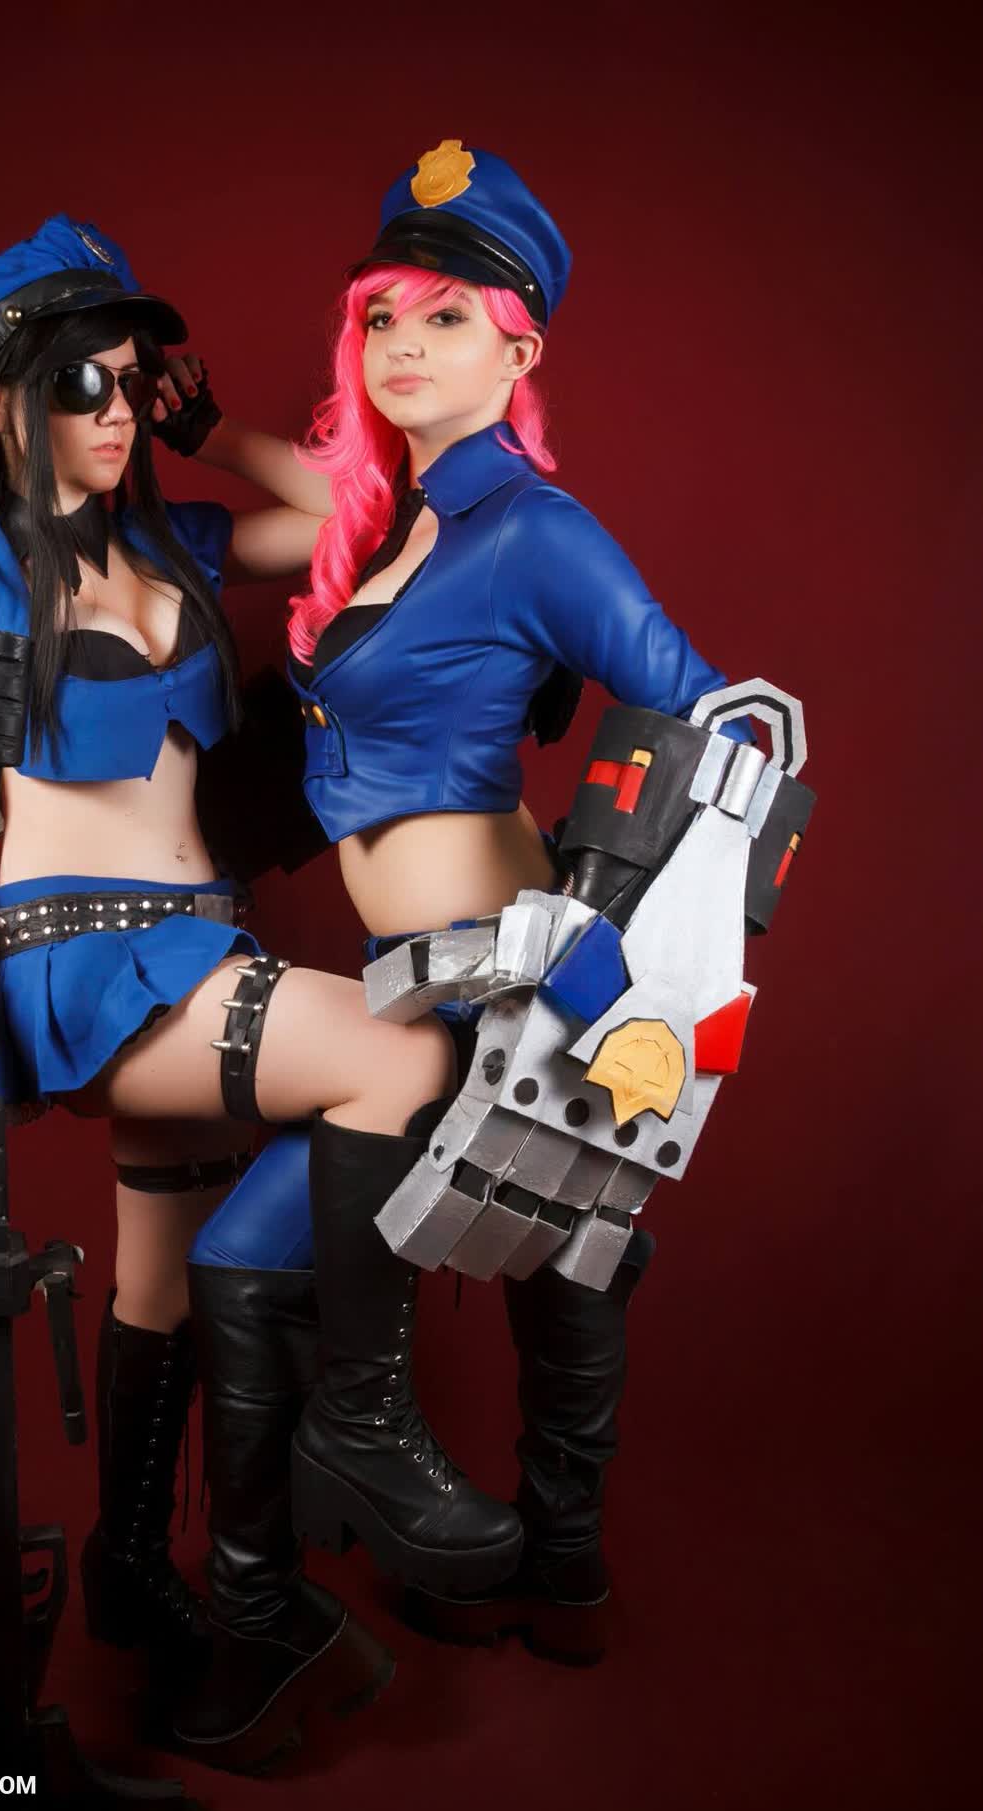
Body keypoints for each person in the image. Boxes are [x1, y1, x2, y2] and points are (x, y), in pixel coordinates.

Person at [0, 213, 466, 1756]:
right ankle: (355, 1425)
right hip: (77, 960)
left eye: (135, 382)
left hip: (205, 940)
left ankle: (135, 1566)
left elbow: (357, 508)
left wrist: (213, 432)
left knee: (165, 1275)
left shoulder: (175, 547)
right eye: (84, 382)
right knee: (402, 1057)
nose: (119, 410)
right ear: (2, 403)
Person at [188, 141, 751, 1668]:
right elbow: (323, 493)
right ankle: (319, 1576)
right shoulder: (399, 523)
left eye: (445, 317)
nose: (402, 345)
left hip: (518, 976)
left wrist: (626, 947)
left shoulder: (533, 530)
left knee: (568, 1256)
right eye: (381, 316)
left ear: (520, 348)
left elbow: (724, 725)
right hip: (401, 983)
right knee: (246, 1264)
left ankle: (560, 1562)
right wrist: (212, 432)